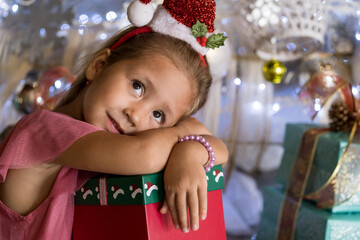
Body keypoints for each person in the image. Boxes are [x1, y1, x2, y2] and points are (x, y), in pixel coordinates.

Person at [0, 0, 228, 239]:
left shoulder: (105, 149)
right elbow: (147, 154)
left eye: (158, 115)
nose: (135, 116)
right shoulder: (43, 130)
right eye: (137, 87)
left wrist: (191, 152)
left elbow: (221, 149)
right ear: (98, 67)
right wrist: (187, 143)